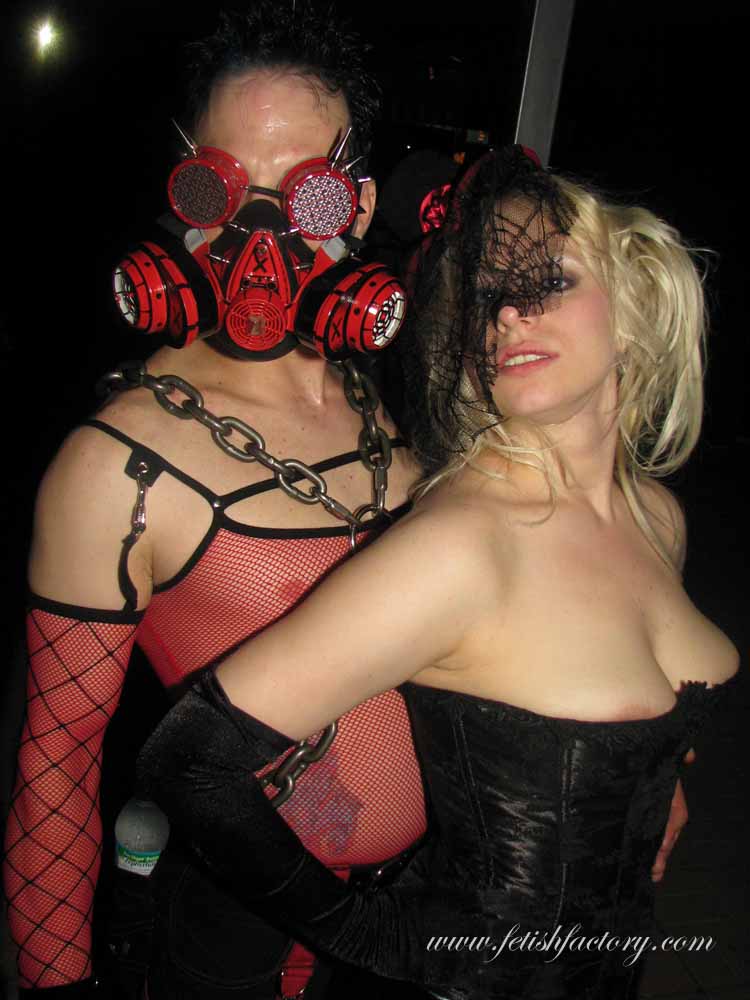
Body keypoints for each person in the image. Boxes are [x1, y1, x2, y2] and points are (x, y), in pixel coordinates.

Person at [136, 147, 739, 999]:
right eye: (487, 299)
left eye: (549, 281)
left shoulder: (655, 517)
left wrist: (656, 778)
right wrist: (365, 934)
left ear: (636, 310)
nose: (508, 318)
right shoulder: (460, 547)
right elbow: (193, 762)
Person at [2, 5, 430, 997]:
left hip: (421, 909)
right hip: (248, 935)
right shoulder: (121, 466)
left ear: (360, 206)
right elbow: (56, 766)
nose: (260, 236)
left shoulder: (395, 398)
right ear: (184, 194)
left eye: (308, 195)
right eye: (222, 188)